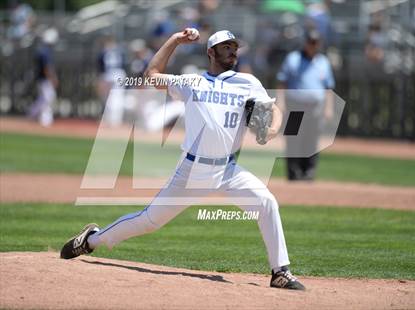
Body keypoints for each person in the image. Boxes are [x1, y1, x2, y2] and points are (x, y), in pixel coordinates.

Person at [60, 29, 305, 290]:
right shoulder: (192, 82)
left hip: (227, 169)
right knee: (149, 221)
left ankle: (280, 272)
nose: (233, 50)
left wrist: (272, 129)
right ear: (210, 52)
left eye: (234, 46)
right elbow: (151, 75)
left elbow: (273, 109)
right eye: (226, 47)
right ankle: (91, 240)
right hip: (192, 170)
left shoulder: (247, 82)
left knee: (266, 202)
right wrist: (175, 41)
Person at [277, 29, 335, 181]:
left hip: (315, 107)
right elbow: (282, 82)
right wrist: (280, 103)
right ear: (305, 42)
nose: (313, 45)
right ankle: (293, 173)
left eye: (316, 43)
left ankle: (308, 172)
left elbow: (328, 87)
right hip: (294, 105)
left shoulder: (323, 61)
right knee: (293, 140)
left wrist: (329, 108)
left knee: (312, 139)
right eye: (310, 42)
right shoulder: (293, 59)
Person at [28, 28, 59, 127]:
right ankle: (45, 120)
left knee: (43, 98)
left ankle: (32, 113)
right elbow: (47, 67)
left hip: (41, 78)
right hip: (45, 79)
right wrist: (53, 78)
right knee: (48, 98)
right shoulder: (46, 51)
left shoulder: (42, 50)